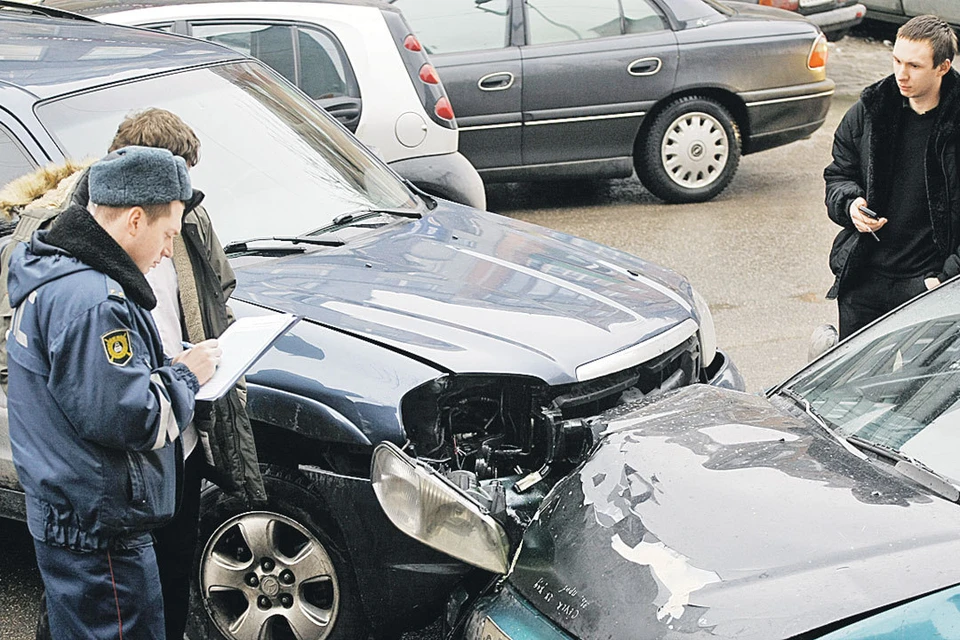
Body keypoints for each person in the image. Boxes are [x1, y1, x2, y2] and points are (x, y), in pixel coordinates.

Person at [6, 146, 221, 638]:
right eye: (168, 234)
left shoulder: (53, 273)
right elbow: (132, 418)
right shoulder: (95, 305)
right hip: (99, 528)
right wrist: (184, 375)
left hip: (69, 510)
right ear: (134, 220)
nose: (169, 250)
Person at [108, 108, 267, 640]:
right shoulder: (91, 249)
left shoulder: (190, 222)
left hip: (186, 428)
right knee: (123, 585)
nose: (182, 198)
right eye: (173, 185)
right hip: (136, 439)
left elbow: (215, 291)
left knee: (176, 564)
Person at [824, 14, 960, 339]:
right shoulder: (870, 112)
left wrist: (942, 280)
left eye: (914, 65)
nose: (901, 74)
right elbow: (838, 176)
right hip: (864, 282)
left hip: (926, 287)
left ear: (943, 66)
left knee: (917, 389)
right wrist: (851, 205)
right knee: (852, 387)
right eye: (897, 60)